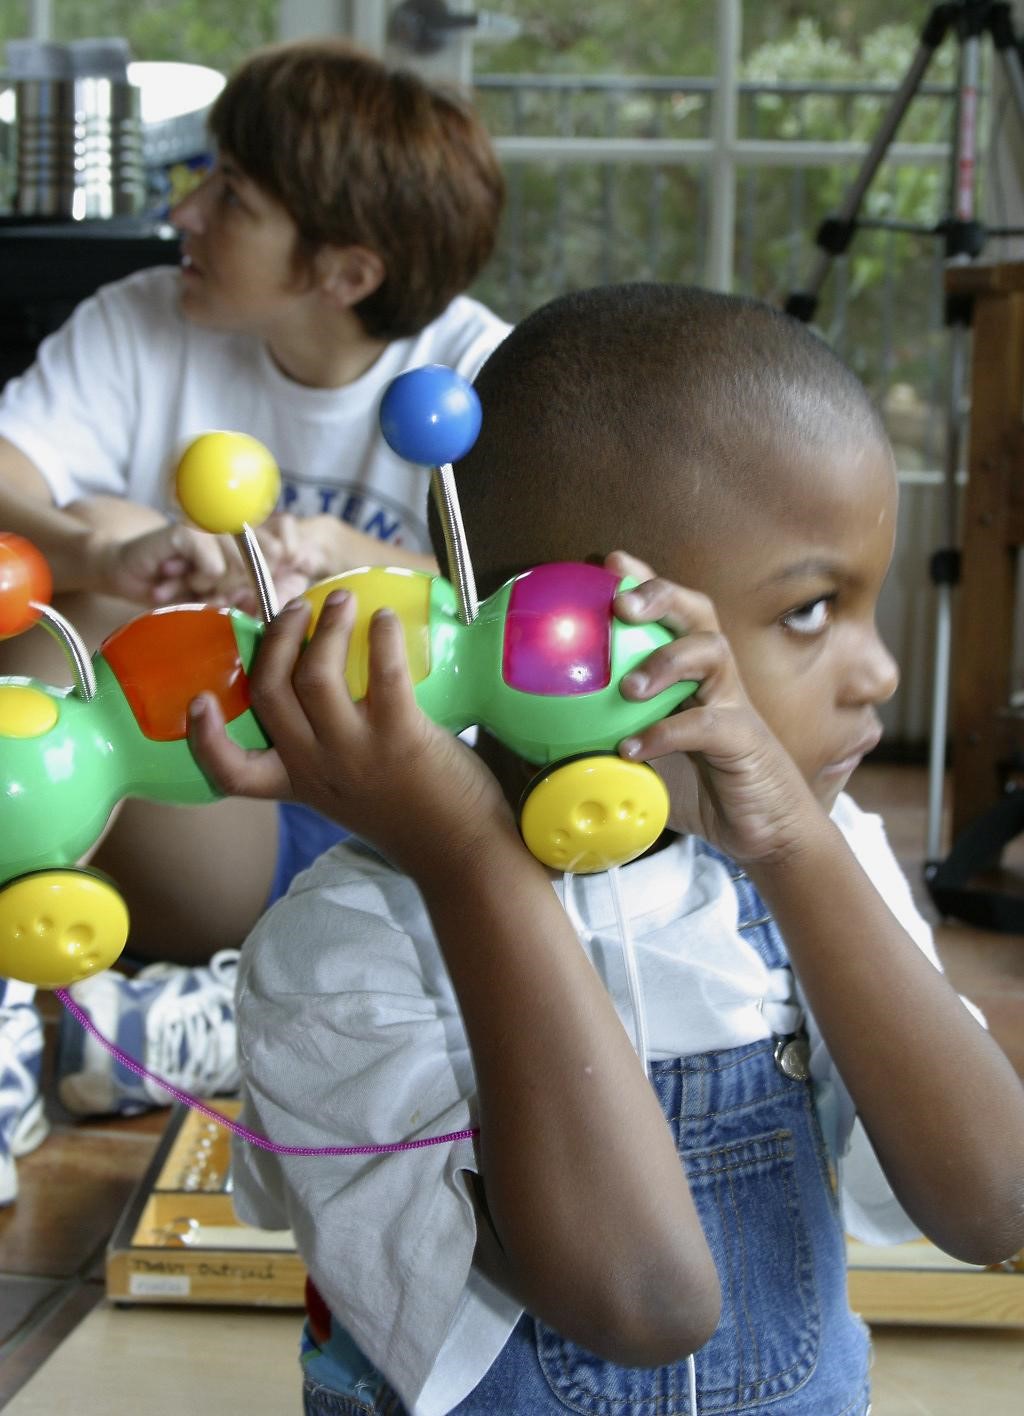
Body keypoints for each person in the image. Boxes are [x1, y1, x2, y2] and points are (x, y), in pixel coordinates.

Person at [186, 283, 1024, 1415]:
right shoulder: (343, 950)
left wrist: (793, 846)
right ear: (581, 635)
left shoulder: (824, 859)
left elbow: (993, 1204)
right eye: (814, 610)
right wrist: (473, 860)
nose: (878, 674)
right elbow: (638, 1301)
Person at [0, 36, 508, 1203]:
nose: (182, 211)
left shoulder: (475, 371)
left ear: (345, 272)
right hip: (211, 813)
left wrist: (344, 561)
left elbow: (532, 605)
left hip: (406, 844)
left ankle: (224, 1008)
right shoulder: (141, 318)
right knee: (81, 558)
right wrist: (111, 555)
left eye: (230, 195)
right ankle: (139, 1015)